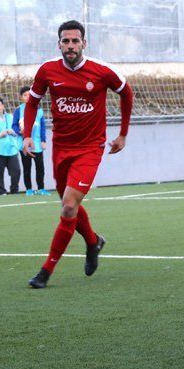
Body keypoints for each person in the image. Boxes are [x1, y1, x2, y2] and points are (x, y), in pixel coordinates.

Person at [22, 20, 133, 289]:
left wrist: (123, 133)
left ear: (84, 43)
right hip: (61, 148)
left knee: (69, 205)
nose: (70, 46)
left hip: (89, 148)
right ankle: (93, 241)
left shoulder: (102, 71)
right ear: (58, 44)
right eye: (65, 41)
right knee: (69, 205)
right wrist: (27, 135)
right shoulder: (47, 70)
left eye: (75, 41)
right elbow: (33, 101)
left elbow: (126, 93)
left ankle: (46, 271)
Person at [13, 85, 50, 196]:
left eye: (29, 94)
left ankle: (41, 188)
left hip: (37, 144)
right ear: (21, 98)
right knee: (27, 167)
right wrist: (20, 131)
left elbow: (42, 126)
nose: (27, 97)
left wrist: (43, 140)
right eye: (25, 95)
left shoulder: (39, 110)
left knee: (40, 168)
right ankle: (29, 189)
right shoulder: (19, 110)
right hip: (24, 144)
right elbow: (14, 125)